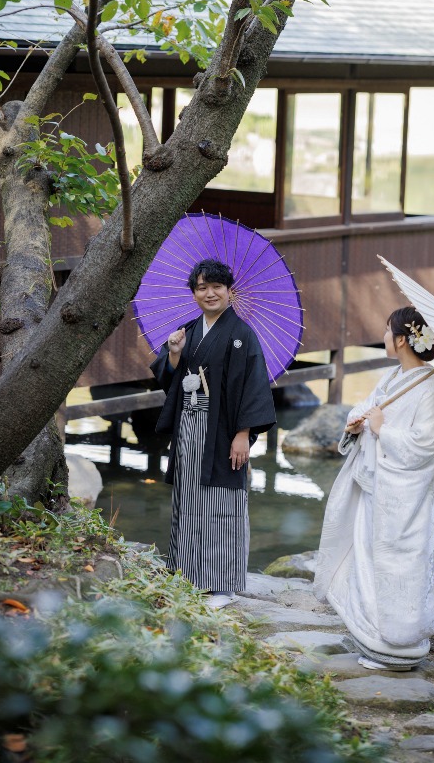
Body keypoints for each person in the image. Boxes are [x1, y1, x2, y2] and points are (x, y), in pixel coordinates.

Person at [314, 306, 434, 670]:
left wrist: (383, 429)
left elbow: (425, 446)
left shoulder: (427, 389)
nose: (382, 337)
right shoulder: (395, 377)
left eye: (386, 331)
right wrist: (356, 424)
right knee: (367, 561)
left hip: (402, 497)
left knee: (396, 565)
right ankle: (372, 637)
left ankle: (397, 646)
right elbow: (370, 408)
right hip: (376, 486)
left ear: (401, 340)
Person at [151, 258, 276, 608]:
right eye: (202, 287)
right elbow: (169, 379)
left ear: (229, 291)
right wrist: (174, 354)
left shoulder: (242, 334)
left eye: (217, 286)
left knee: (222, 503)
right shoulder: (188, 331)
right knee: (189, 499)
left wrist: (243, 434)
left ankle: (222, 587)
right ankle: (188, 574)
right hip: (189, 427)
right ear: (194, 293)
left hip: (223, 430)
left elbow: (253, 386)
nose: (210, 293)